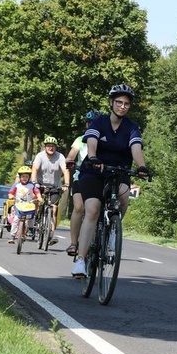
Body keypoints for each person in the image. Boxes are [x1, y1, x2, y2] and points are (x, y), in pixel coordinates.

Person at [71, 85, 149, 278]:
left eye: (127, 104)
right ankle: (80, 260)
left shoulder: (131, 127)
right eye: (119, 102)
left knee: (123, 196)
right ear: (111, 103)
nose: (123, 107)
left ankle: (113, 229)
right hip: (94, 171)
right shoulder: (99, 122)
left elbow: (136, 147)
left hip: (118, 170)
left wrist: (141, 166)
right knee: (93, 208)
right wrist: (93, 157)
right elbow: (91, 142)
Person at [64, 110, 103, 257]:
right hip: (81, 176)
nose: (90, 125)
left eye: (94, 123)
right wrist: (69, 161)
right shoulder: (80, 139)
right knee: (79, 208)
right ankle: (74, 243)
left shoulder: (104, 140)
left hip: (100, 178)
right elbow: (71, 155)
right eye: (89, 123)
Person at [31, 135, 70, 246]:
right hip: (41, 185)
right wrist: (34, 182)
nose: (50, 148)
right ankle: (36, 220)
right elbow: (34, 169)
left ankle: (51, 234)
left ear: (56, 147)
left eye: (52, 146)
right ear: (45, 147)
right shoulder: (40, 156)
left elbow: (65, 170)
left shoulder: (60, 157)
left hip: (54, 186)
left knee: (53, 208)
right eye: (48, 146)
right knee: (38, 202)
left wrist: (66, 184)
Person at [8, 166, 42, 244]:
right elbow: (10, 192)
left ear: (29, 177)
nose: (24, 178)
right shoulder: (16, 185)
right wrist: (11, 196)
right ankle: (12, 236)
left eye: (26, 176)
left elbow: (37, 192)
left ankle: (30, 229)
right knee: (16, 219)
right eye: (23, 176)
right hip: (18, 204)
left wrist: (39, 198)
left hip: (29, 205)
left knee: (31, 217)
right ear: (20, 177)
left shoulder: (32, 185)